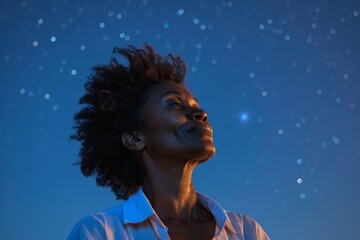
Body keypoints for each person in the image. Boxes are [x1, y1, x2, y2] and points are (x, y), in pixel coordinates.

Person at [68, 44, 270, 240]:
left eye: (196, 106)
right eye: (175, 104)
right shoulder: (100, 232)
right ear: (135, 139)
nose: (201, 114)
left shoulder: (247, 232)